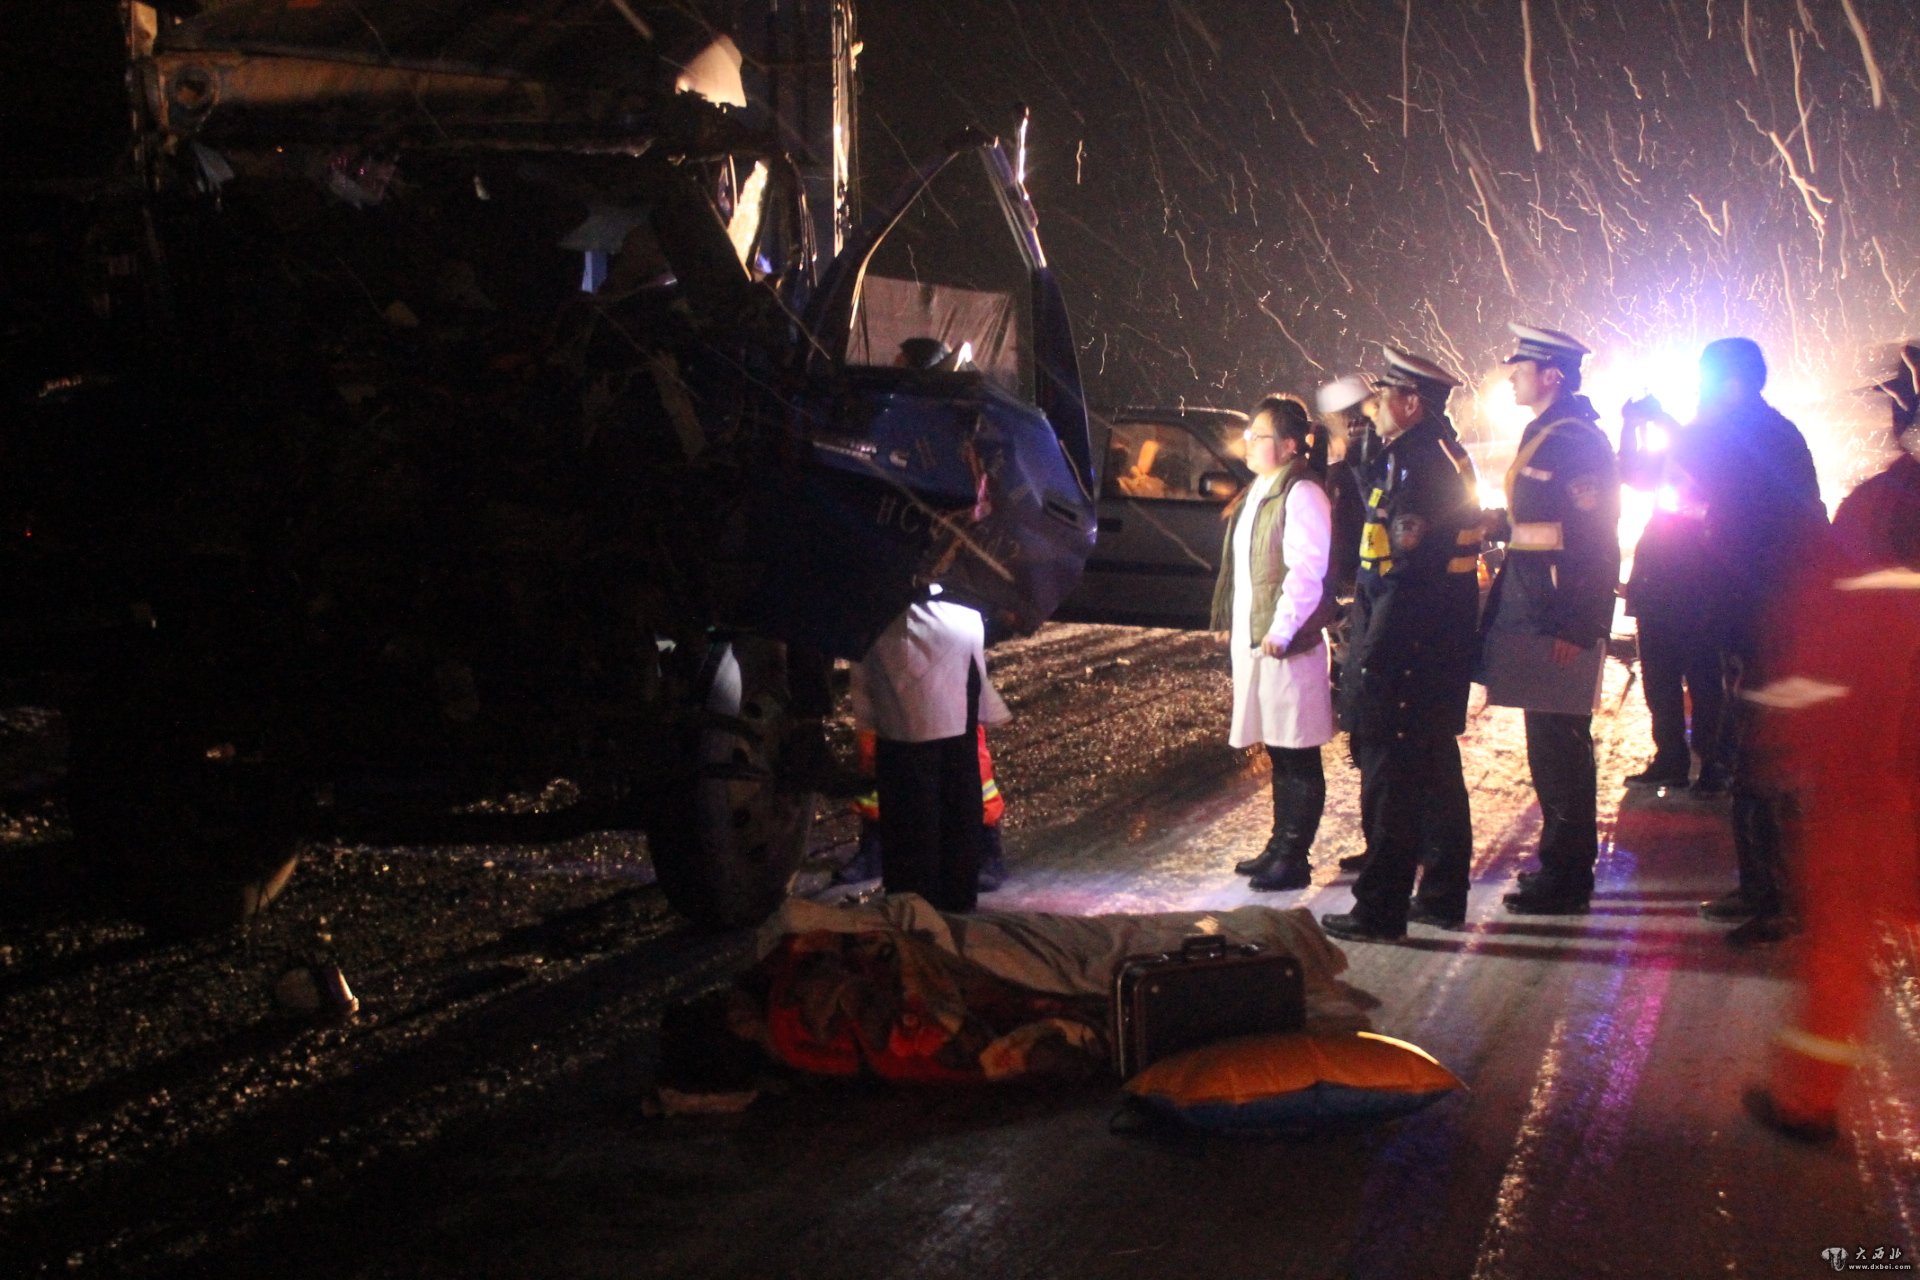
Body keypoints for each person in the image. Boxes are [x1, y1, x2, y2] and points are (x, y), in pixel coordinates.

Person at [1743, 342, 1920, 1141]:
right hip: (1884, 762)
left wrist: (1782, 726)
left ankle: (1808, 1103)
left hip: (1874, 772)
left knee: (1844, 941)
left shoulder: (1881, 509)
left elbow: (1830, 638)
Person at [1626, 338, 1825, 946]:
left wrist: (1660, 419)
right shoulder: (1758, 431)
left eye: (1706, 382)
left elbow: (1700, 456)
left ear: (1730, 384)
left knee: (1769, 762)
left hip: (1773, 621)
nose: (1701, 395)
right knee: (1749, 760)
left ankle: (1783, 900)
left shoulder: (1756, 432)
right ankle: (1760, 886)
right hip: (1757, 618)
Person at [1321, 349, 1482, 942]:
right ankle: (1440, 894)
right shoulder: (1423, 455)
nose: (1374, 403)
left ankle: (1380, 908)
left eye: (1385, 392)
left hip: (1407, 649)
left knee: (1391, 776)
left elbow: (1400, 577)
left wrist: (1369, 657)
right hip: (1430, 647)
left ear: (1411, 403)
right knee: (1434, 769)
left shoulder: (1420, 468)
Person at [1480, 324, 1622, 916]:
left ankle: (1568, 876)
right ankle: (1561, 864)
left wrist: (1579, 626)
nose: (1511, 374)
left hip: (1557, 619)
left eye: (1522, 366)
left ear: (1552, 376)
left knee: (1560, 744)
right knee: (1548, 743)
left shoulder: (1575, 440)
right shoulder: (1547, 432)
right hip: (1537, 611)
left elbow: (1597, 541)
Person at [1209, 396, 1339, 890]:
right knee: (1280, 751)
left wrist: (1282, 630)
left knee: (1298, 750)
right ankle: (1278, 845)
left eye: (1258, 435)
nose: (1248, 441)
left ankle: (1294, 856)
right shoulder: (1263, 488)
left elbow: (1306, 569)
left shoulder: (1301, 493)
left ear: (1288, 445)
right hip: (1262, 642)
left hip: (1289, 644)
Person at [849, 589, 1010, 913]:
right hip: (954, 635)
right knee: (957, 769)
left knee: (914, 791)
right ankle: (957, 905)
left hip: (909, 639)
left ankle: (919, 913)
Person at [1621, 507, 1728, 791]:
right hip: (1659, 594)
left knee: (1704, 686)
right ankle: (1673, 760)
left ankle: (1712, 764)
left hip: (1696, 597)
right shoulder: (1670, 481)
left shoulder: (1710, 479)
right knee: (1660, 685)